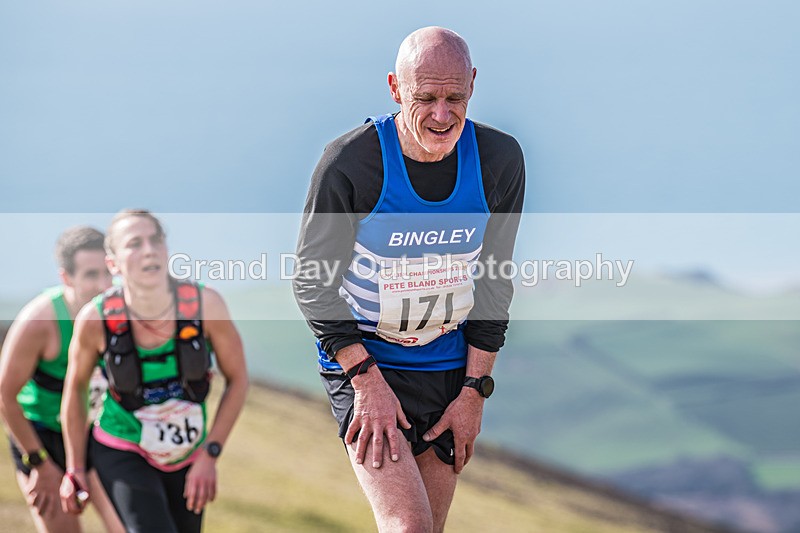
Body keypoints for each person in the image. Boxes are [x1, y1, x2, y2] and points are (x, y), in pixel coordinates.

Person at [293, 26, 525, 532]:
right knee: (408, 526)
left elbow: (495, 281)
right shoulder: (352, 162)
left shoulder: (499, 161)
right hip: (367, 364)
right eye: (426, 98)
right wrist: (364, 380)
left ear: (473, 84)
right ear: (396, 88)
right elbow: (312, 281)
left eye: (455, 98)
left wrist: (474, 391)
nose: (443, 115)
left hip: (448, 367)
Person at [59, 209, 249, 533]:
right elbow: (75, 390)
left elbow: (238, 379)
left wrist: (210, 454)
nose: (149, 249)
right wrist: (75, 467)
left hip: (188, 455)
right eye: (134, 243)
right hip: (122, 447)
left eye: (155, 240)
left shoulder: (206, 305)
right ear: (113, 264)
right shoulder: (95, 319)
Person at [0, 226, 124, 532]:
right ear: (66, 277)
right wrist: (38, 463)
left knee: (128, 526)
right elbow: (4, 396)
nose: (104, 285)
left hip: (94, 434)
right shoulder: (39, 322)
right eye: (91, 275)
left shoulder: (117, 312)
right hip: (43, 439)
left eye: (108, 273)